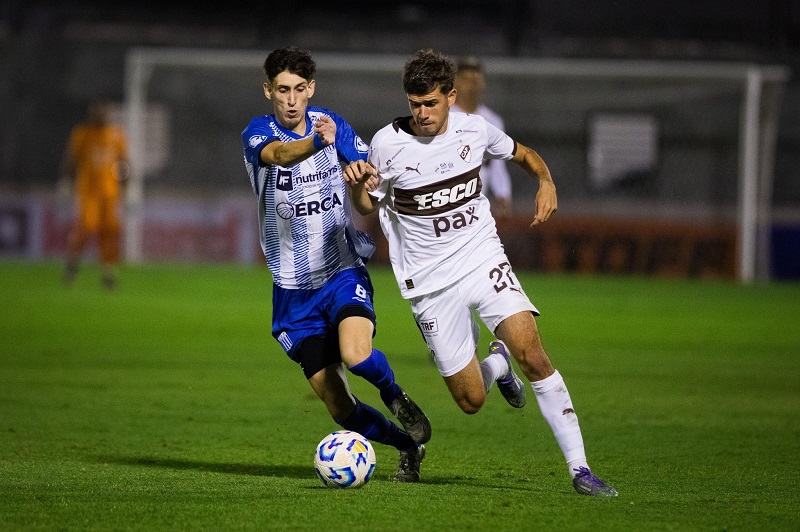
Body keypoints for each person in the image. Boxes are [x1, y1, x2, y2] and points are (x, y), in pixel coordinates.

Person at [343, 49, 617, 496]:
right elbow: (366, 208)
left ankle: (580, 469)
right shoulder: (386, 144)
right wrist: (357, 185)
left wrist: (546, 181)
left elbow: (524, 154)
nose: (421, 113)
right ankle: (496, 363)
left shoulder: (474, 128)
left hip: (481, 258)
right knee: (471, 400)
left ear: (451, 97)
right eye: (414, 103)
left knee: (533, 352)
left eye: (430, 103)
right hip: (429, 285)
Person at [240, 47, 430, 482]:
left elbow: (367, 182)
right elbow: (281, 156)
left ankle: (394, 395)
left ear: (311, 89)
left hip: (340, 270)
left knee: (357, 355)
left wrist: (364, 177)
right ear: (268, 90)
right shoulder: (257, 132)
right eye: (282, 90)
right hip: (291, 293)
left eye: (299, 90)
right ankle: (406, 445)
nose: (291, 100)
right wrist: (315, 143)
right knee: (340, 408)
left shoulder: (334, 125)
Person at [59, 97, 129, 289]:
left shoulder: (116, 135)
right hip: (88, 192)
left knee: (110, 231)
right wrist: (65, 182)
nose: (100, 116)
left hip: (110, 193)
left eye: (103, 112)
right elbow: (70, 159)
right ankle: (72, 267)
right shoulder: (82, 134)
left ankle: (108, 273)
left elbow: (123, 163)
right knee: (85, 229)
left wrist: (127, 188)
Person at [452, 56, 513, 218]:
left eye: (475, 79)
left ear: (483, 83)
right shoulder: (444, 116)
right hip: (443, 198)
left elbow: (496, 165)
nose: (471, 85)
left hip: (476, 203)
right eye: (466, 79)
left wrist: (503, 194)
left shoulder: (493, 120)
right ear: (455, 83)